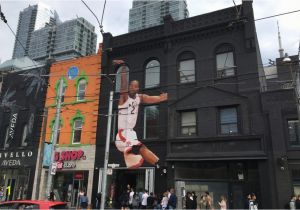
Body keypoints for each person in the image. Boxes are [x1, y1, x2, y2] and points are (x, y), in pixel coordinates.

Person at [114, 60, 168, 169]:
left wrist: (162, 98)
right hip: (122, 134)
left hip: (131, 133)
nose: (133, 88)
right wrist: (123, 67)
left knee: (142, 148)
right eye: (132, 86)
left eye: (135, 86)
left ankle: (157, 164)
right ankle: (130, 160)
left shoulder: (139, 97)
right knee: (133, 147)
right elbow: (123, 85)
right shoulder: (124, 98)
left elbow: (150, 98)